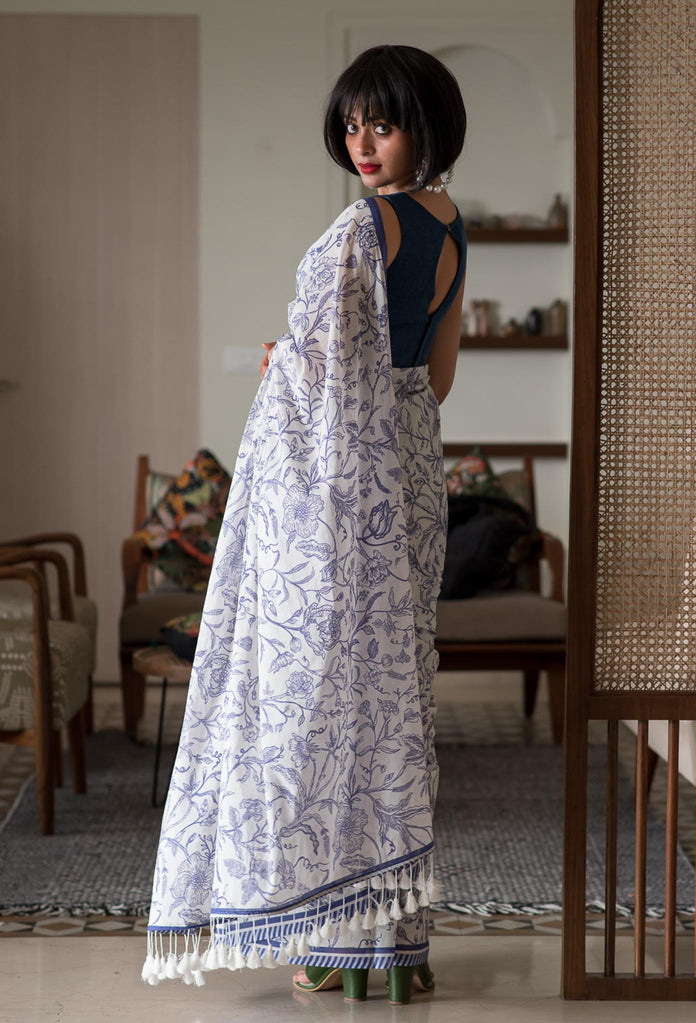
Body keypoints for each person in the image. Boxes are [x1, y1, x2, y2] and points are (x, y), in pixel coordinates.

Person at [142, 44, 467, 1007]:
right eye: (352, 125)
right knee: (387, 708)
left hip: (335, 505)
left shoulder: (364, 225)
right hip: (408, 484)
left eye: (383, 124)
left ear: (424, 125)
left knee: (310, 708)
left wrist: (280, 360)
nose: (362, 144)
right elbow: (435, 380)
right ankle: (389, 943)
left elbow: (323, 378)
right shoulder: (450, 225)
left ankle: (330, 936)